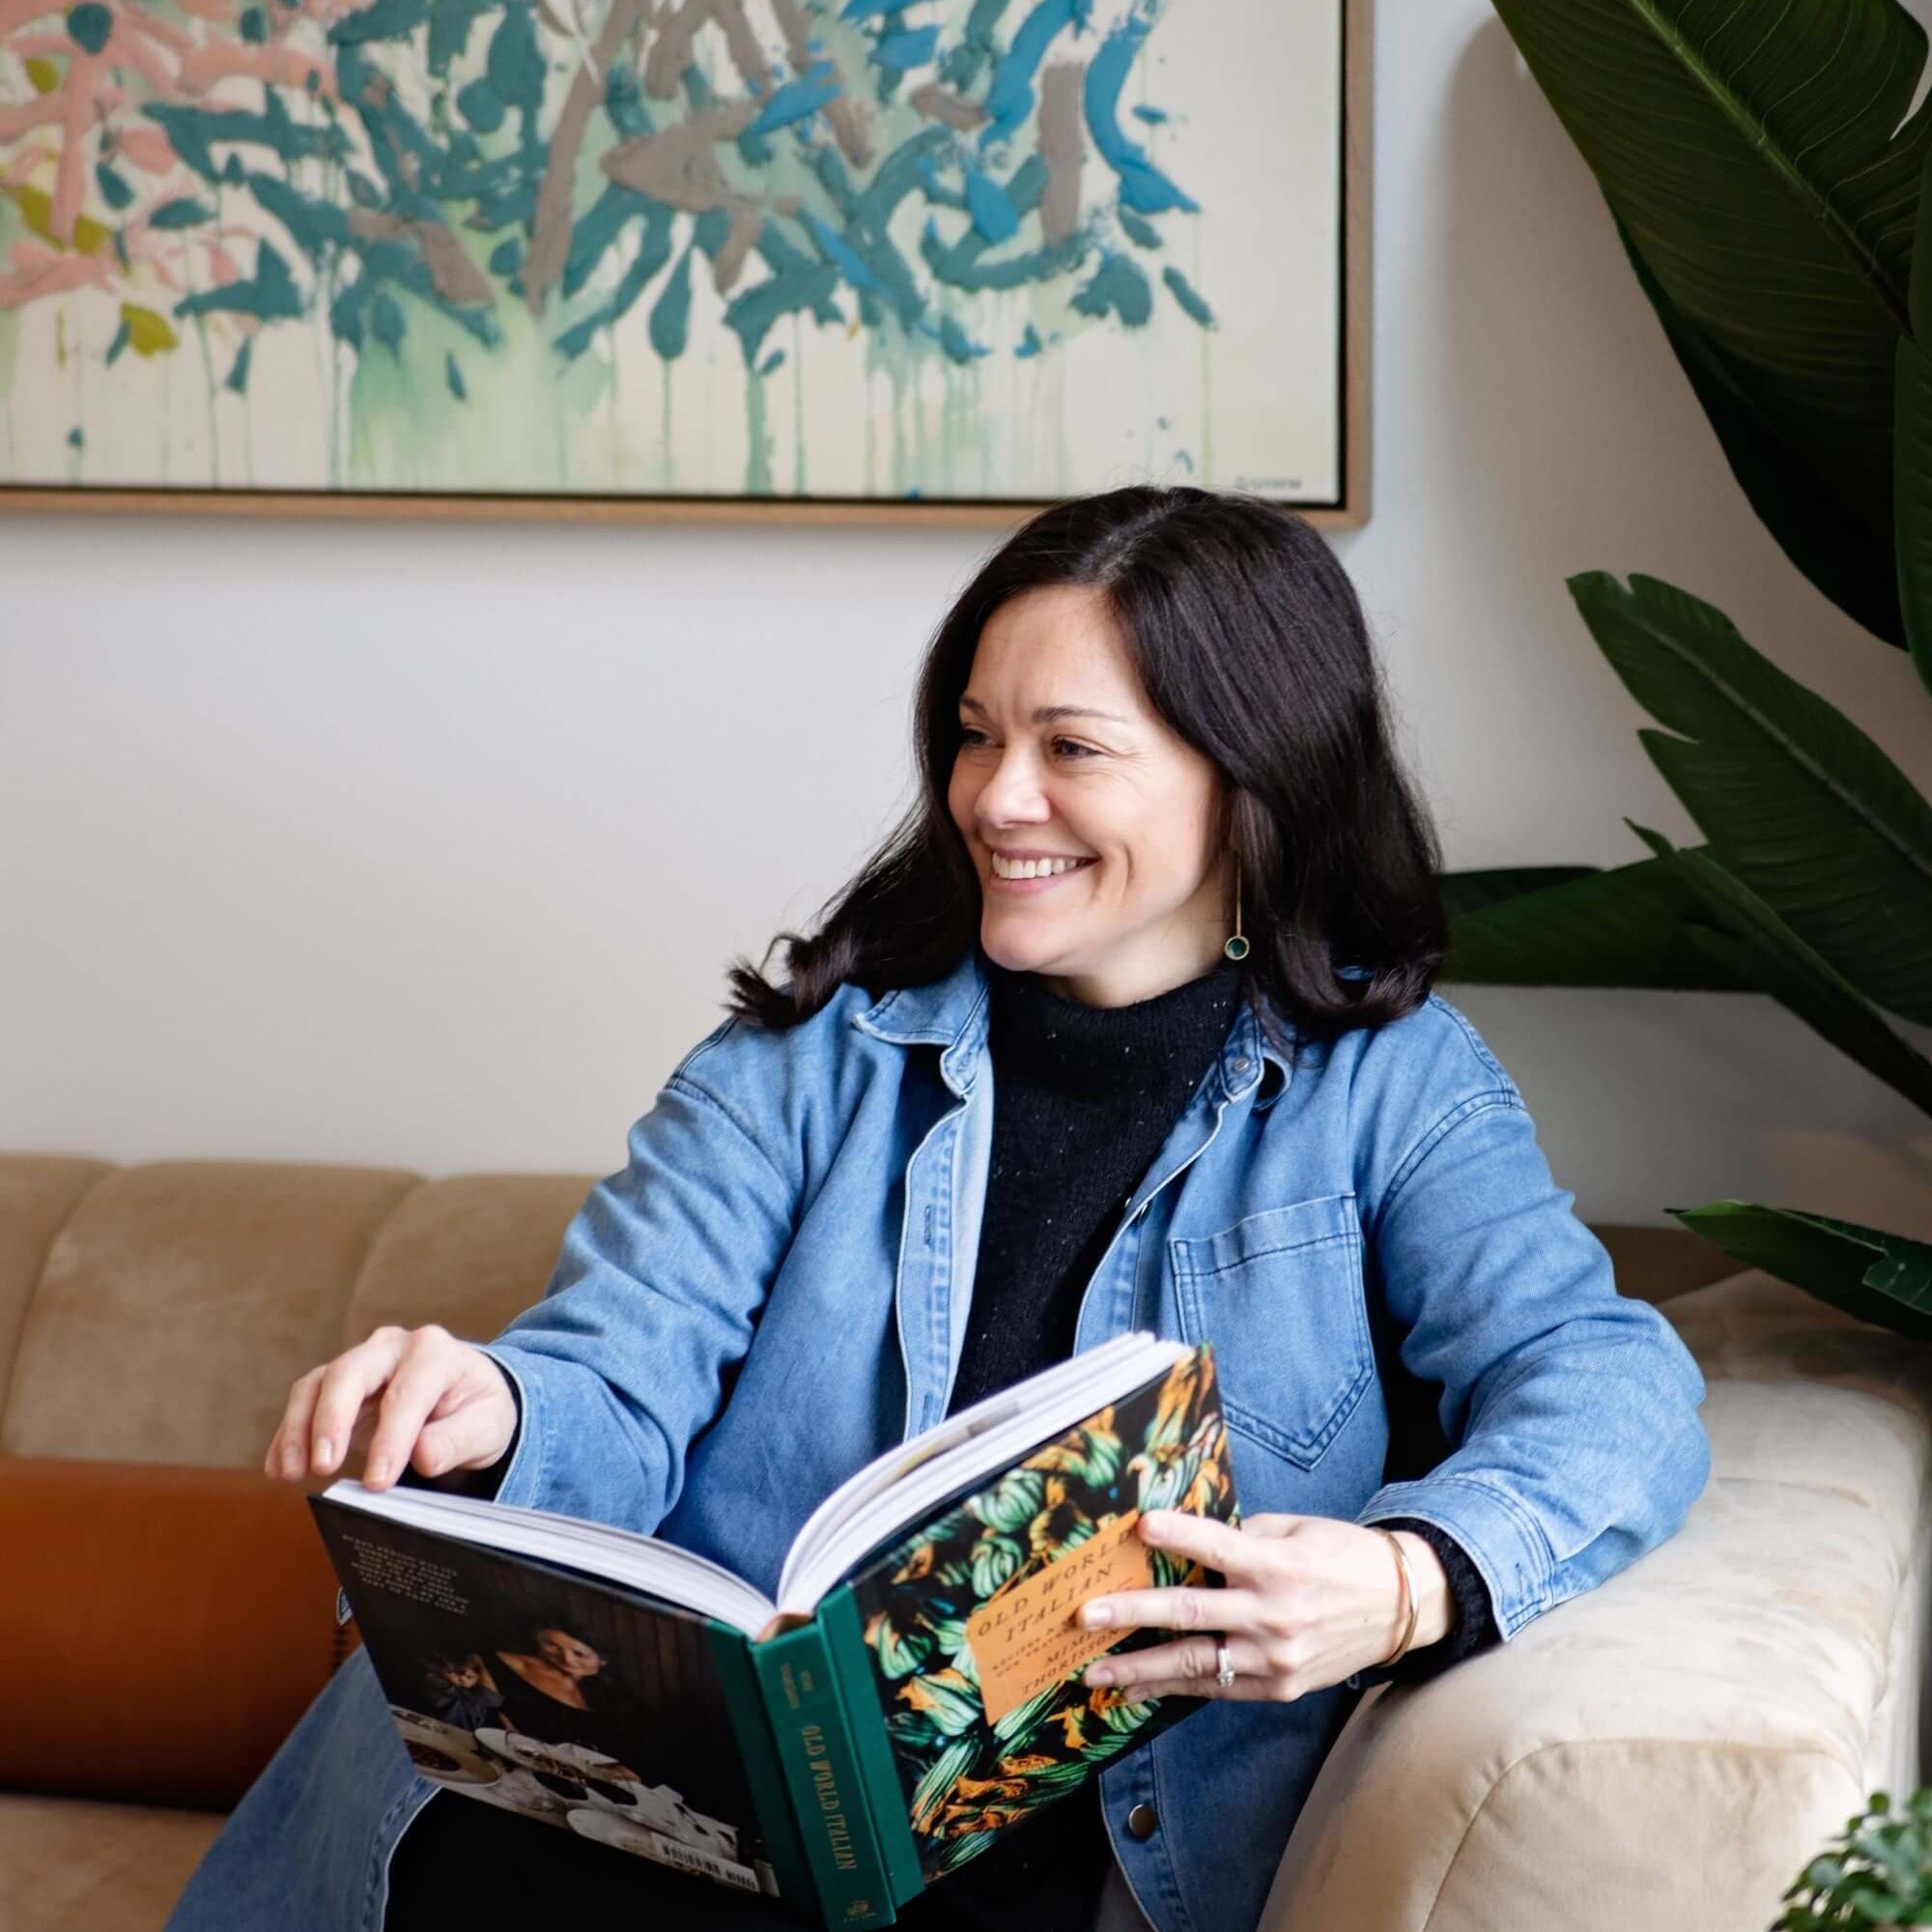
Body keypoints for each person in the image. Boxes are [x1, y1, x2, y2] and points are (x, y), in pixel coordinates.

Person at [165, 486, 1711, 1932]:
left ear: (1253, 779)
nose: (996, 797)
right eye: (975, 737)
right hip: (667, 1829)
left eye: (1071, 748)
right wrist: (491, 1407)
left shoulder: (1390, 1091)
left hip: (1082, 1858)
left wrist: (1403, 1581)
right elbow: (618, 1381)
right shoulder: (803, 1058)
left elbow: (1612, 1385)